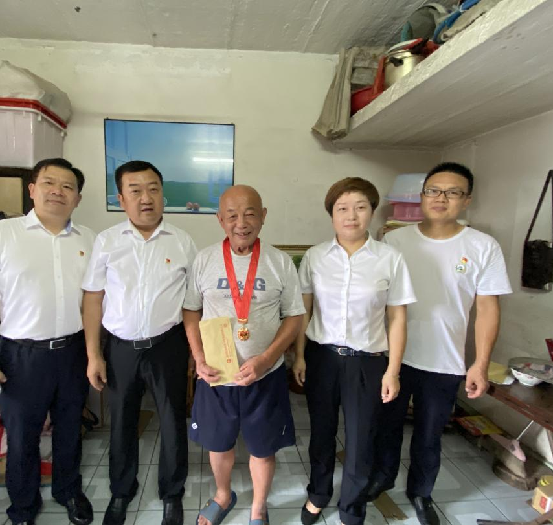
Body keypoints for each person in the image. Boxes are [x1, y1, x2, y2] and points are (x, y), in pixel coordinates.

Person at [366, 162, 513, 525]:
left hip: (444, 361)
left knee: (429, 435)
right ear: (422, 196)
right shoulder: (395, 241)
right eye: (433, 190)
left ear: (467, 200)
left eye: (452, 192)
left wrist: (480, 363)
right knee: (385, 427)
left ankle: (421, 492)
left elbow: (487, 309)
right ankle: (382, 478)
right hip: (393, 358)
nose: (440, 198)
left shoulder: (483, 246)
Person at [0, 158, 96, 525]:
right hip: (20, 356)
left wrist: (94, 353)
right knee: (22, 437)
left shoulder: (89, 240)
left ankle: (69, 491)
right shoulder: (2, 234)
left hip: (73, 351)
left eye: (67, 186)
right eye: (49, 183)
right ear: (32, 189)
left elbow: (94, 301)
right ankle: (22, 506)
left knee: (70, 429)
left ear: (77, 198)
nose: (58, 192)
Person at [292, 177, 416, 525]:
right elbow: (304, 311)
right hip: (322, 358)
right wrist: (299, 355)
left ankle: (352, 507)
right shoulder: (315, 257)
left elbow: (397, 318)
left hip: (368, 363)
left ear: (372, 212)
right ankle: (318, 494)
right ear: (331, 214)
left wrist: (393, 370)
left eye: (360, 207)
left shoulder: (390, 258)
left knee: (361, 440)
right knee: (321, 433)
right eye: (342, 208)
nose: (351, 215)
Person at [82, 160, 197, 525]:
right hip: (119, 347)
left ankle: (172, 493)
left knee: (172, 420)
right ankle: (121, 491)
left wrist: (196, 352)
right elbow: (93, 299)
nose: (145, 198)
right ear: (121, 199)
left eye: (153, 189)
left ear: (163, 194)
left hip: (168, 345)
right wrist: (93, 354)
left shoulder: (183, 242)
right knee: (121, 421)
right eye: (135, 191)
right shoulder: (107, 241)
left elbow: (193, 303)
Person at [184, 185, 305, 525]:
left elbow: (294, 316)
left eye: (250, 214)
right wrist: (198, 357)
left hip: (265, 377)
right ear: (220, 220)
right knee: (218, 445)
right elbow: (191, 310)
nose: (241, 223)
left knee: (263, 448)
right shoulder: (204, 260)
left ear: (263, 216)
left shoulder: (279, 262)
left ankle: (258, 509)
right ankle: (223, 496)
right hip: (216, 376)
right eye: (232, 215)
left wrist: (266, 359)